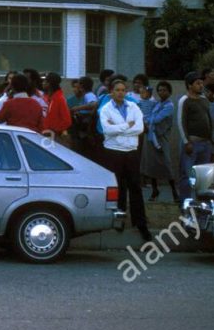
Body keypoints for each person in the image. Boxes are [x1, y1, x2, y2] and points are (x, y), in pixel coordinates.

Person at [99, 79, 150, 242]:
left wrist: (119, 128)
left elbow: (140, 128)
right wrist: (127, 126)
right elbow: (107, 130)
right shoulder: (105, 109)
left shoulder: (133, 106)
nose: (121, 93)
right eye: (117, 90)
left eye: (123, 90)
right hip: (113, 151)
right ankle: (118, 220)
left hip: (131, 151)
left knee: (135, 186)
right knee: (118, 187)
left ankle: (140, 222)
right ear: (112, 92)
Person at [177, 71, 213, 202]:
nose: (201, 85)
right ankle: (185, 205)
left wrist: (210, 139)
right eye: (197, 83)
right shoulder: (184, 100)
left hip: (205, 144)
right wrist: (186, 142)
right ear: (189, 85)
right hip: (192, 144)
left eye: (201, 82)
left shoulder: (204, 100)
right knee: (187, 175)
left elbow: (208, 119)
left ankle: (201, 205)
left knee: (203, 176)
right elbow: (180, 122)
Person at [141, 81, 178, 203]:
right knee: (151, 165)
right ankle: (155, 190)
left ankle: (174, 192)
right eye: (160, 90)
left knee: (166, 165)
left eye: (164, 90)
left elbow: (156, 119)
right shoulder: (157, 104)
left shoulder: (169, 106)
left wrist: (147, 121)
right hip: (151, 137)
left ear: (169, 92)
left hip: (161, 138)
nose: (162, 92)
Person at [69, 76, 100, 161]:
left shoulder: (89, 95)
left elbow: (93, 104)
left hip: (86, 129)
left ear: (81, 86)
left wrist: (77, 108)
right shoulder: (86, 95)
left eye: (78, 84)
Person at [41, 72, 71, 145]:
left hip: (53, 136)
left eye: (45, 81)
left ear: (49, 84)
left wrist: (53, 129)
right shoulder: (47, 97)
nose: (42, 83)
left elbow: (67, 121)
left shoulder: (59, 99)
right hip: (45, 134)